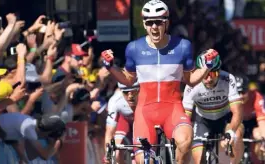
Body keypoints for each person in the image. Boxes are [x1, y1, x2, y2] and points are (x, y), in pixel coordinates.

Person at [101, 0, 219, 163]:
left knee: (185, 141)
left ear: (167, 23)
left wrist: (206, 66)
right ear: (144, 24)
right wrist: (111, 67)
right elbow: (129, 80)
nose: (154, 27)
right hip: (145, 112)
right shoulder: (134, 48)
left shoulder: (183, 46)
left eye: (158, 22)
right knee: (144, 161)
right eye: (149, 22)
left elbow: (190, 79)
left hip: (173, 109)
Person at [183, 54, 244, 164]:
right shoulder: (191, 85)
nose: (209, 78)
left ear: (219, 71)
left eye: (213, 73)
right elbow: (186, 115)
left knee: (237, 135)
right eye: (205, 74)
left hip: (225, 118)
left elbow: (237, 111)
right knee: (198, 160)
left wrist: (231, 131)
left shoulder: (228, 79)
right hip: (203, 120)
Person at [0, 112, 66, 163]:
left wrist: (23, 158)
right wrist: (59, 142)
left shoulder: (30, 121)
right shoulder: (29, 130)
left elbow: (16, 140)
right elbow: (45, 156)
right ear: (47, 133)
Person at [104, 81, 139, 163]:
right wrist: (108, 154)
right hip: (125, 121)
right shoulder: (115, 100)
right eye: (126, 93)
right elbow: (109, 132)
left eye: (133, 92)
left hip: (142, 121)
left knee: (139, 158)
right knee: (117, 153)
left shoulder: (145, 95)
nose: (130, 96)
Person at [235, 75, 265, 160]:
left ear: (249, 90)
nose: (240, 96)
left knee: (258, 135)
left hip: (253, 123)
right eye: (238, 92)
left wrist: (263, 141)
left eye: (243, 92)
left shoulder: (256, 96)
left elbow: (262, 121)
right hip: (239, 122)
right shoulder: (230, 98)